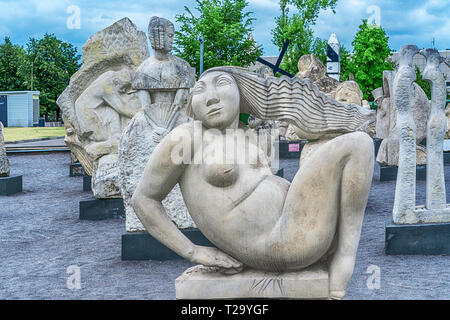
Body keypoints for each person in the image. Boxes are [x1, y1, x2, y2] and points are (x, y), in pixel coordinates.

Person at [132, 66, 374, 299]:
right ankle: (345, 255)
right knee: (359, 144)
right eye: (200, 90)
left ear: (241, 91)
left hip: (298, 228)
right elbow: (144, 199)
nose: (211, 98)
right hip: (280, 243)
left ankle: (337, 249)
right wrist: (193, 251)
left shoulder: (245, 135)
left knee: (341, 145)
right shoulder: (186, 137)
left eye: (222, 84)